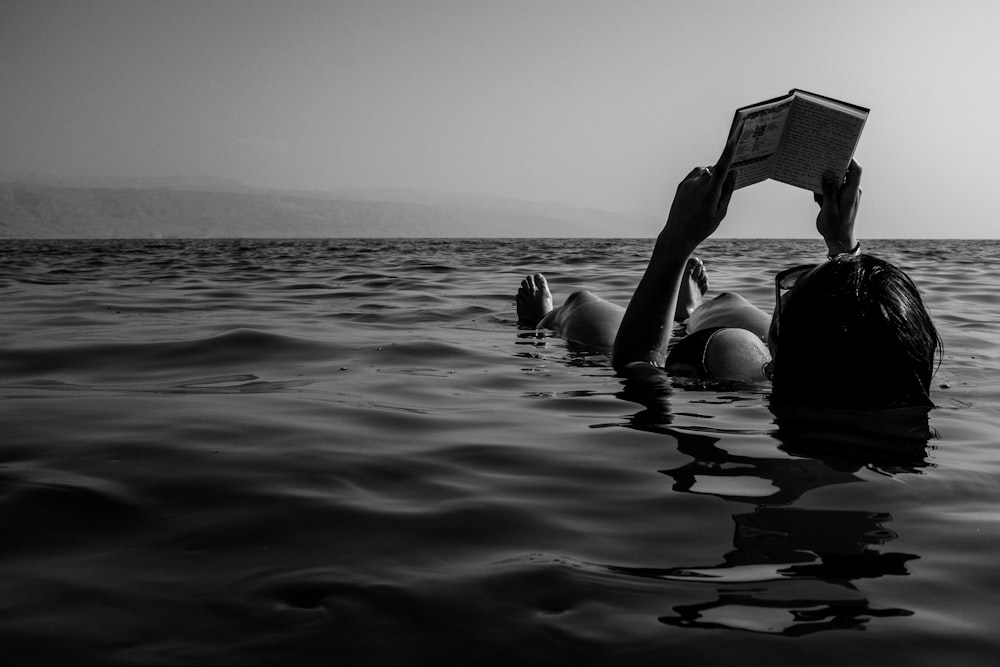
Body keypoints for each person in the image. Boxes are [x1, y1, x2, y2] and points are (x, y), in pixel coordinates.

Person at [516, 141, 941, 408]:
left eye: (788, 295)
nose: (785, 293)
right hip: (804, 373)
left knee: (584, 302)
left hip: (723, 370)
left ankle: (543, 319)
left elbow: (633, 367)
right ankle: (694, 308)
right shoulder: (896, 383)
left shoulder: (737, 364)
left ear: (786, 359)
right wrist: (843, 247)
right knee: (731, 303)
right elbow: (872, 338)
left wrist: (674, 245)